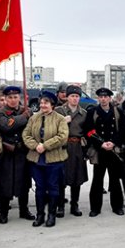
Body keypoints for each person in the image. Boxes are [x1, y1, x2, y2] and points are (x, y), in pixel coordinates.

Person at [22, 91, 69, 227]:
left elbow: (62, 136)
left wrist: (46, 146)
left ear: (52, 105)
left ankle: (52, 215)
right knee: (40, 188)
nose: (43, 105)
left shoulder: (60, 119)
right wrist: (36, 146)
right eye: (41, 103)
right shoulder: (34, 118)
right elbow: (26, 134)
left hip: (54, 159)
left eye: (46, 103)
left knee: (53, 187)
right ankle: (40, 215)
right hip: (37, 159)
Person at [85, 87, 125, 217]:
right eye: (101, 97)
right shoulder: (92, 111)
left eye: (106, 97)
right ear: (98, 98)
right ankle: (95, 208)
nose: (103, 99)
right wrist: (101, 144)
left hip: (113, 150)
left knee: (115, 180)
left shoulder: (118, 111)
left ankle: (117, 206)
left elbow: (124, 130)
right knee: (97, 180)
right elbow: (88, 130)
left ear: (110, 98)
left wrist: (114, 142)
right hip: (99, 151)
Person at [0, 86, 35, 223]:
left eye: (15, 97)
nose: (13, 100)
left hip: (22, 152)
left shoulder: (27, 111)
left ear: (20, 98)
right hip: (7, 152)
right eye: (10, 97)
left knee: (24, 183)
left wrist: (26, 115)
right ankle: (3, 212)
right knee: (5, 184)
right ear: (5, 99)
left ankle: (24, 210)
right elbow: (7, 126)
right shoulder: (0, 113)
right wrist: (23, 117)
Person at [55, 85, 89, 216]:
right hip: (62, 146)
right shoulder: (58, 111)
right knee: (61, 177)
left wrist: (86, 150)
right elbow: (51, 127)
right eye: (72, 96)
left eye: (77, 96)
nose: (75, 99)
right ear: (67, 97)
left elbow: (87, 132)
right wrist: (63, 122)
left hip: (77, 147)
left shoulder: (83, 113)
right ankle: (60, 206)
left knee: (77, 177)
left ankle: (74, 204)